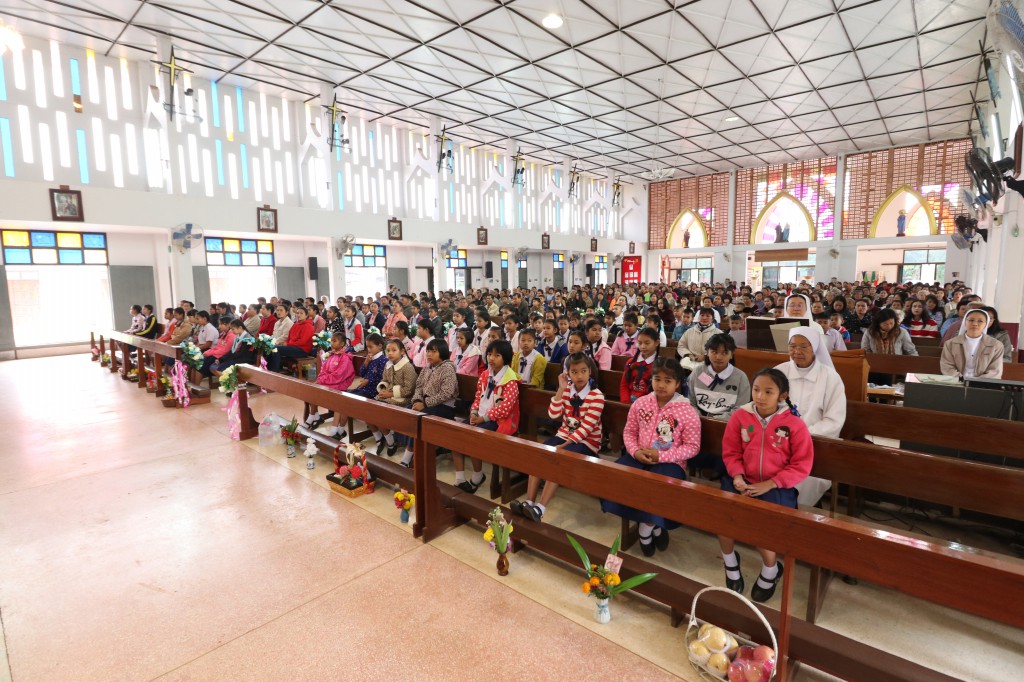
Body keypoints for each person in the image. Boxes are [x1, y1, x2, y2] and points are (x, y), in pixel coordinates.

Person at [718, 368, 813, 602]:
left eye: (768, 392)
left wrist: (771, 483)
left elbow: (801, 464)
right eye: (756, 390)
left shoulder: (794, 424)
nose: (760, 396)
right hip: (742, 480)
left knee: (763, 524)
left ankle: (771, 569)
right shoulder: (740, 416)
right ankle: (730, 562)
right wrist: (737, 476)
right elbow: (731, 452)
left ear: (782, 396)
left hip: (777, 486)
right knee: (723, 515)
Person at [600, 358, 700, 556]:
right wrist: (635, 451)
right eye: (657, 379)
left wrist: (661, 456)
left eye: (668, 381)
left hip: (670, 462)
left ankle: (645, 530)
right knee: (617, 476)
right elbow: (629, 432)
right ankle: (654, 527)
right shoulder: (641, 403)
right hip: (638, 456)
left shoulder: (687, 411)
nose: (661, 384)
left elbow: (692, 447)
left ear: (677, 384)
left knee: (658, 488)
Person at [513, 353, 605, 522]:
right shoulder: (567, 390)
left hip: (587, 442)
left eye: (583, 371)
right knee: (540, 453)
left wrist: (562, 447)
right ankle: (529, 502)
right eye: (574, 372)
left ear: (590, 372)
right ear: (567, 374)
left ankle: (540, 508)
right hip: (564, 435)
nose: (579, 376)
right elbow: (553, 414)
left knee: (558, 458)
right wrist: (561, 389)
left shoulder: (596, 395)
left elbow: (586, 429)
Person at [774, 328, 845, 506]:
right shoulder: (779, 372)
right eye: (792, 346)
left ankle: (796, 511)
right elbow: (767, 408)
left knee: (804, 479)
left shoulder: (830, 377)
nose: (797, 351)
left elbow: (834, 420)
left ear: (814, 347)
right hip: (777, 441)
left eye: (803, 346)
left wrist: (801, 435)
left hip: (814, 444)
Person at [460, 340, 520, 492]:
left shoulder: (510, 380)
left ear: (505, 358)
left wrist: (482, 418)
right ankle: (459, 478)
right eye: (489, 354)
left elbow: (505, 408)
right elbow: (478, 397)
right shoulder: (485, 374)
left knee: (473, 438)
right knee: (456, 433)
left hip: (499, 421)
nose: (491, 358)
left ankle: (477, 476)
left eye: (497, 355)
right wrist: (474, 412)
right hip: (479, 416)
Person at [398, 339, 460, 467]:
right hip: (427, 404)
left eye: (433, 351)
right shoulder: (427, 367)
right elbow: (419, 386)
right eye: (428, 351)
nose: (429, 354)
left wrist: (425, 404)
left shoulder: (448, 368)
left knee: (418, 418)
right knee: (407, 411)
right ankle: (412, 451)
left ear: (442, 352)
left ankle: (407, 457)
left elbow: (446, 393)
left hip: (444, 407)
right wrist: (417, 400)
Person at [326, 333, 387, 443]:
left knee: (345, 400)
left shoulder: (383, 360)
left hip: (373, 391)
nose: (368, 349)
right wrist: (366, 362)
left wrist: (368, 381)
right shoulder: (370, 358)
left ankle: (339, 431)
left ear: (380, 346)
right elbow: (361, 373)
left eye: (371, 347)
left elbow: (383, 379)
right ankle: (339, 430)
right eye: (367, 347)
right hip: (364, 389)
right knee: (342, 397)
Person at [687, 334, 750, 421]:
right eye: (714, 352)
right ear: (707, 352)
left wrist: (716, 421)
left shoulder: (741, 377)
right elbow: (690, 402)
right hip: (697, 420)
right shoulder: (697, 372)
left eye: (725, 353)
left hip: (726, 423)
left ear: (731, 355)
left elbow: (740, 408)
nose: (719, 357)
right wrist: (699, 418)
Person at [376, 338, 418, 456]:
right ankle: (387, 438)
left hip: (403, 399)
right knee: (371, 408)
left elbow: (409, 389)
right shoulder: (388, 364)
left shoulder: (407, 367)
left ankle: (390, 441)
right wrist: (383, 388)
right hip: (388, 395)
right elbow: (384, 380)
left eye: (394, 350)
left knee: (379, 413)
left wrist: (390, 394)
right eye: (388, 350)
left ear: (402, 352)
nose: (390, 353)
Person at [305, 333, 356, 429]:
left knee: (316, 389)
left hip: (339, 385)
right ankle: (314, 416)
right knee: (312, 388)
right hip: (329, 383)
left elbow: (338, 376)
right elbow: (323, 370)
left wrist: (322, 380)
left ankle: (314, 418)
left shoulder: (345, 358)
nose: (332, 343)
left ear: (342, 344)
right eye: (331, 340)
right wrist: (321, 379)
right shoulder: (332, 355)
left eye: (334, 341)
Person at [940, 309, 1004, 379]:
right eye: (971, 320)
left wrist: (976, 382)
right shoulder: (950, 344)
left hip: (983, 383)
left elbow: (994, 371)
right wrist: (962, 380)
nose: (975, 324)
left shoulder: (996, 345)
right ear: (965, 322)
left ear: (986, 324)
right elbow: (947, 367)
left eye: (980, 321)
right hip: (957, 382)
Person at [619, 328, 660, 403]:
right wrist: (626, 403)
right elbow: (624, 385)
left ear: (656, 342)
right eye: (640, 343)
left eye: (647, 343)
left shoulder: (660, 365)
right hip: (629, 402)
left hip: (648, 403)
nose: (643, 346)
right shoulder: (631, 362)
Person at [270, 306, 314, 371]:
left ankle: (275, 370)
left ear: (306, 315)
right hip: (293, 346)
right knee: (271, 347)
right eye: (297, 313)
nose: (298, 315)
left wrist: (288, 344)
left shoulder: (308, 326)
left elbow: (302, 341)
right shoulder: (295, 324)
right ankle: (269, 368)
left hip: (302, 349)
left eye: (301, 313)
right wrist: (286, 343)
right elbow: (289, 337)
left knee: (276, 349)